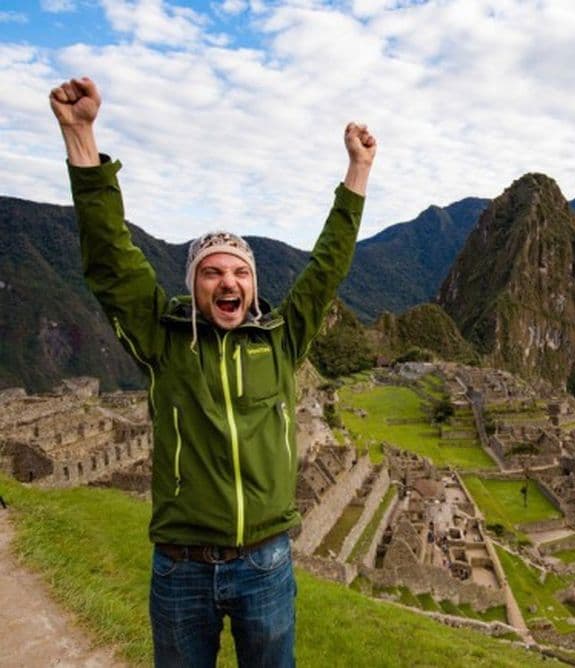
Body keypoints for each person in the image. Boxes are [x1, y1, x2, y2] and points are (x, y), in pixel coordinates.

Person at [50, 77, 376, 667]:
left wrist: (357, 173)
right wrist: (81, 137)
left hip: (266, 563)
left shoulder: (281, 342)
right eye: (212, 272)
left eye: (239, 273)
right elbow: (110, 261)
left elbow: (328, 266)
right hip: (180, 566)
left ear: (253, 286)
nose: (228, 282)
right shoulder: (164, 342)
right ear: (195, 286)